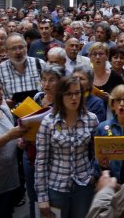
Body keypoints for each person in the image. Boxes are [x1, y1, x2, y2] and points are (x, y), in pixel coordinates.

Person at [35, 76, 99, 218]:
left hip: (83, 184)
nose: (74, 98)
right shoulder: (48, 122)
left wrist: (93, 175)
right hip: (56, 185)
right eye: (69, 94)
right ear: (60, 96)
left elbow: (98, 153)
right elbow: (41, 161)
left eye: (77, 93)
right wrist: (42, 197)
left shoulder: (91, 119)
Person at [0, 75, 28, 217]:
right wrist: (10, 135)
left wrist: (20, 141)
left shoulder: (3, 108)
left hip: (9, 179)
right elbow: (9, 134)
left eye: (0, 89)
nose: (1, 94)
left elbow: (12, 136)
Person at [0, 33, 45, 107]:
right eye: (13, 48)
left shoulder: (39, 64)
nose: (18, 52)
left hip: (39, 114)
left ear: (26, 47)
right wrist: (4, 102)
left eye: (21, 47)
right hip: (12, 115)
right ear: (6, 51)